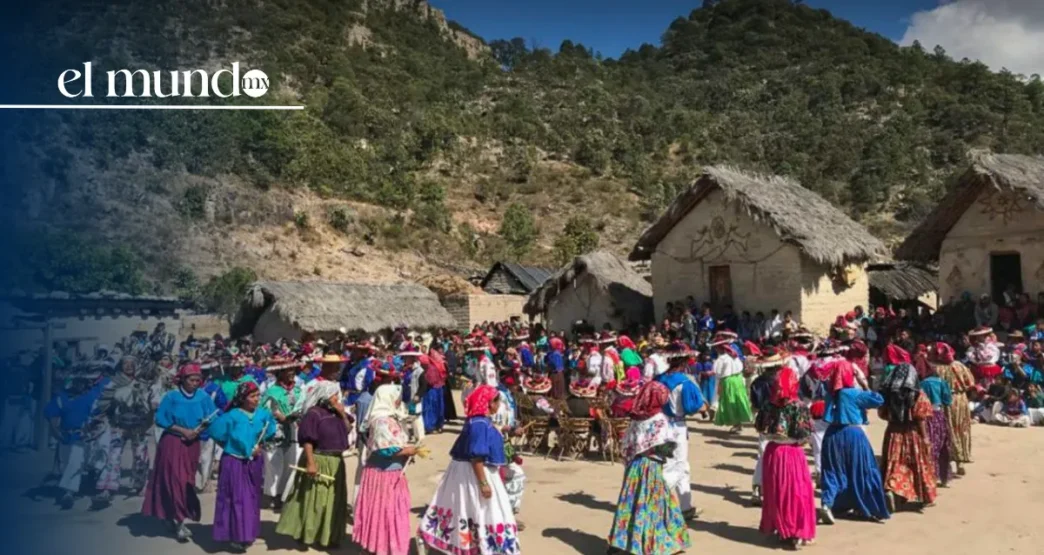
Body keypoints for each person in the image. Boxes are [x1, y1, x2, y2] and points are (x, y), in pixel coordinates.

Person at [418, 385, 520, 555]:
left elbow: (491, 431)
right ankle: (484, 546)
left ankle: (477, 545)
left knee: (470, 510)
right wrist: (483, 483)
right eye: (497, 401)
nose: (499, 405)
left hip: (470, 471)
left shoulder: (480, 421)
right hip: (475, 473)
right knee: (482, 509)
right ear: (488, 403)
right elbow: (476, 457)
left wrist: (508, 430)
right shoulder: (479, 424)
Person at [607, 381, 691, 555]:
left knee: (631, 504)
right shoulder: (660, 419)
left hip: (635, 467)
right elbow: (664, 446)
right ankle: (656, 543)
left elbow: (626, 445)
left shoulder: (636, 418)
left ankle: (625, 541)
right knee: (654, 505)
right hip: (651, 467)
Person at [142, 363, 218, 542]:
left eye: (198, 380)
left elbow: (213, 414)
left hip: (192, 445)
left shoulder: (202, 396)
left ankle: (175, 516)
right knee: (175, 481)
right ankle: (178, 522)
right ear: (182, 379)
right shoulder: (172, 397)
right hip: (173, 443)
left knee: (187, 482)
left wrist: (202, 428)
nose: (195, 383)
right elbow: (161, 418)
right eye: (191, 380)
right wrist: (183, 431)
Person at [276, 379, 349, 548]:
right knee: (315, 500)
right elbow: (308, 440)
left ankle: (328, 536)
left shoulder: (336, 413)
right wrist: (311, 463)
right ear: (325, 396)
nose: (337, 399)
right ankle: (306, 535)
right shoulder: (314, 414)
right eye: (334, 396)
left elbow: (348, 430)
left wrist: (343, 414)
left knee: (332, 501)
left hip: (336, 462)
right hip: (318, 459)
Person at [208, 381, 278, 552]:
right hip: (234, 462)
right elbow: (216, 433)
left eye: (258, 396)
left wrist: (260, 447)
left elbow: (268, 434)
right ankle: (235, 535)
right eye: (252, 396)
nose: (256, 399)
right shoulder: (231, 416)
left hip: (254, 463)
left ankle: (248, 532)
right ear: (242, 398)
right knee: (236, 498)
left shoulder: (263, 415)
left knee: (252, 497)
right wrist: (231, 447)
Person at [819, 358, 889, 524]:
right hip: (853, 434)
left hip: (832, 435)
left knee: (833, 471)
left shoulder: (831, 393)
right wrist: (863, 383)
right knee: (864, 470)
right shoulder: (855, 394)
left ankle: (827, 503)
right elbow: (878, 400)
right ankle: (869, 506)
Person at [754, 364, 816, 550]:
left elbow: (759, 427)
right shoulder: (799, 406)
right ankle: (795, 531)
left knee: (776, 493)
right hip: (793, 454)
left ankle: (781, 528)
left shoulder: (767, 405)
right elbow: (805, 435)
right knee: (797, 492)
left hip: (773, 452)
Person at [353, 383, 418, 555]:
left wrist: (405, 453)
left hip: (391, 472)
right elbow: (383, 449)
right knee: (386, 513)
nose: (398, 402)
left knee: (389, 512)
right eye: (396, 398)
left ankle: (385, 546)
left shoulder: (389, 417)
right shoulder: (382, 420)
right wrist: (407, 451)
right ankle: (383, 547)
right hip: (384, 475)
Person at [90, 355, 154, 508]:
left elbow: (150, 406)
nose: (129, 366)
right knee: (113, 457)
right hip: (119, 425)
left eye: (132, 363)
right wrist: (107, 421)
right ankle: (107, 489)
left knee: (141, 457)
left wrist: (147, 422)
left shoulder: (143, 383)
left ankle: (139, 485)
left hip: (139, 426)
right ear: (120, 366)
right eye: (125, 363)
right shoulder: (114, 383)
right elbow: (105, 404)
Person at [878, 352, 937, 511]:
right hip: (912, 434)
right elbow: (920, 418)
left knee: (894, 462)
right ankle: (925, 497)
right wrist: (925, 438)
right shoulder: (918, 395)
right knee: (917, 464)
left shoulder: (888, 394)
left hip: (893, 432)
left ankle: (891, 488)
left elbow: (882, 414)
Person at [655, 344, 705, 521]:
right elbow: (694, 406)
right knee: (680, 466)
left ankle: (685, 506)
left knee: (666, 463)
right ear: (684, 362)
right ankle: (659, 499)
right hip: (677, 428)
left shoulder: (658, 379)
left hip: (660, 426)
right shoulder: (684, 382)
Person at [45, 369, 107, 509]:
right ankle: (73, 486)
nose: (81, 385)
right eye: (78, 381)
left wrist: (94, 426)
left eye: (84, 382)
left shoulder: (92, 397)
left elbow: (101, 413)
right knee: (66, 464)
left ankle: (69, 493)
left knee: (75, 462)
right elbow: (52, 416)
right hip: (65, 436)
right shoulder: (62, 397)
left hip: (82, 436)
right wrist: (55, 432)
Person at [260, 364, 301, 509]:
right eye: (288, 370)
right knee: (274, 463)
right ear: (280, 373)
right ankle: (272, 495)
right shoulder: (272, 391)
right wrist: (276, 415)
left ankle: (284, 494)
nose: (291, 373)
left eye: (293, 370)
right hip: (275, 430)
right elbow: (263, 409)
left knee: (291, 462)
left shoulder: (297, 390)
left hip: (293, 429)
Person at [919, 357, 954, 487]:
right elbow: (948, 401)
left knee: (930, 447)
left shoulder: (922, 383)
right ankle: (944, 478)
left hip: (926, 417)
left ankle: (931, 476)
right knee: (944, 447)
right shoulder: (942, 382)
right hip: (939, 415)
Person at [711, 334, 752, 433]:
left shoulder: (721, 359)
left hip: (728, 381)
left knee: (730, 402)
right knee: (738, 401)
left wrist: (719, 386)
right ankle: (738, 424)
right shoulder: (734, 355)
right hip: (738, 379)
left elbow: (718, 373)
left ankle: (736, 424)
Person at [421, 353, 447, 434]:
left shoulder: (430, 369)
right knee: (438, 408)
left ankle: (430, 426)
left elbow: (431, 381)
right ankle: (438, 425)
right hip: (438, 389)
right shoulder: (435, 367)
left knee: (430, 409)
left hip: (432, 391)